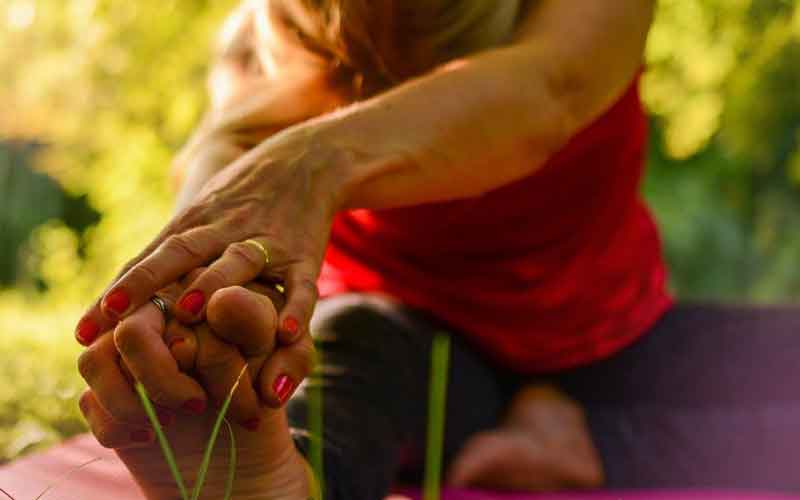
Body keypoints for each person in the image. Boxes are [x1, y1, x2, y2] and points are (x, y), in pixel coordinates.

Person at [72, 1, 800, 499]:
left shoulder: (583, 26)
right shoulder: (265, 48)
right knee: (347, 366)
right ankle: (274, 474)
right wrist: (195, 326)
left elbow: (547, 93)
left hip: (615, 341)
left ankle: (588, 441)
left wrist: (308, 161)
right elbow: (220, 162)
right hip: (408, 340)